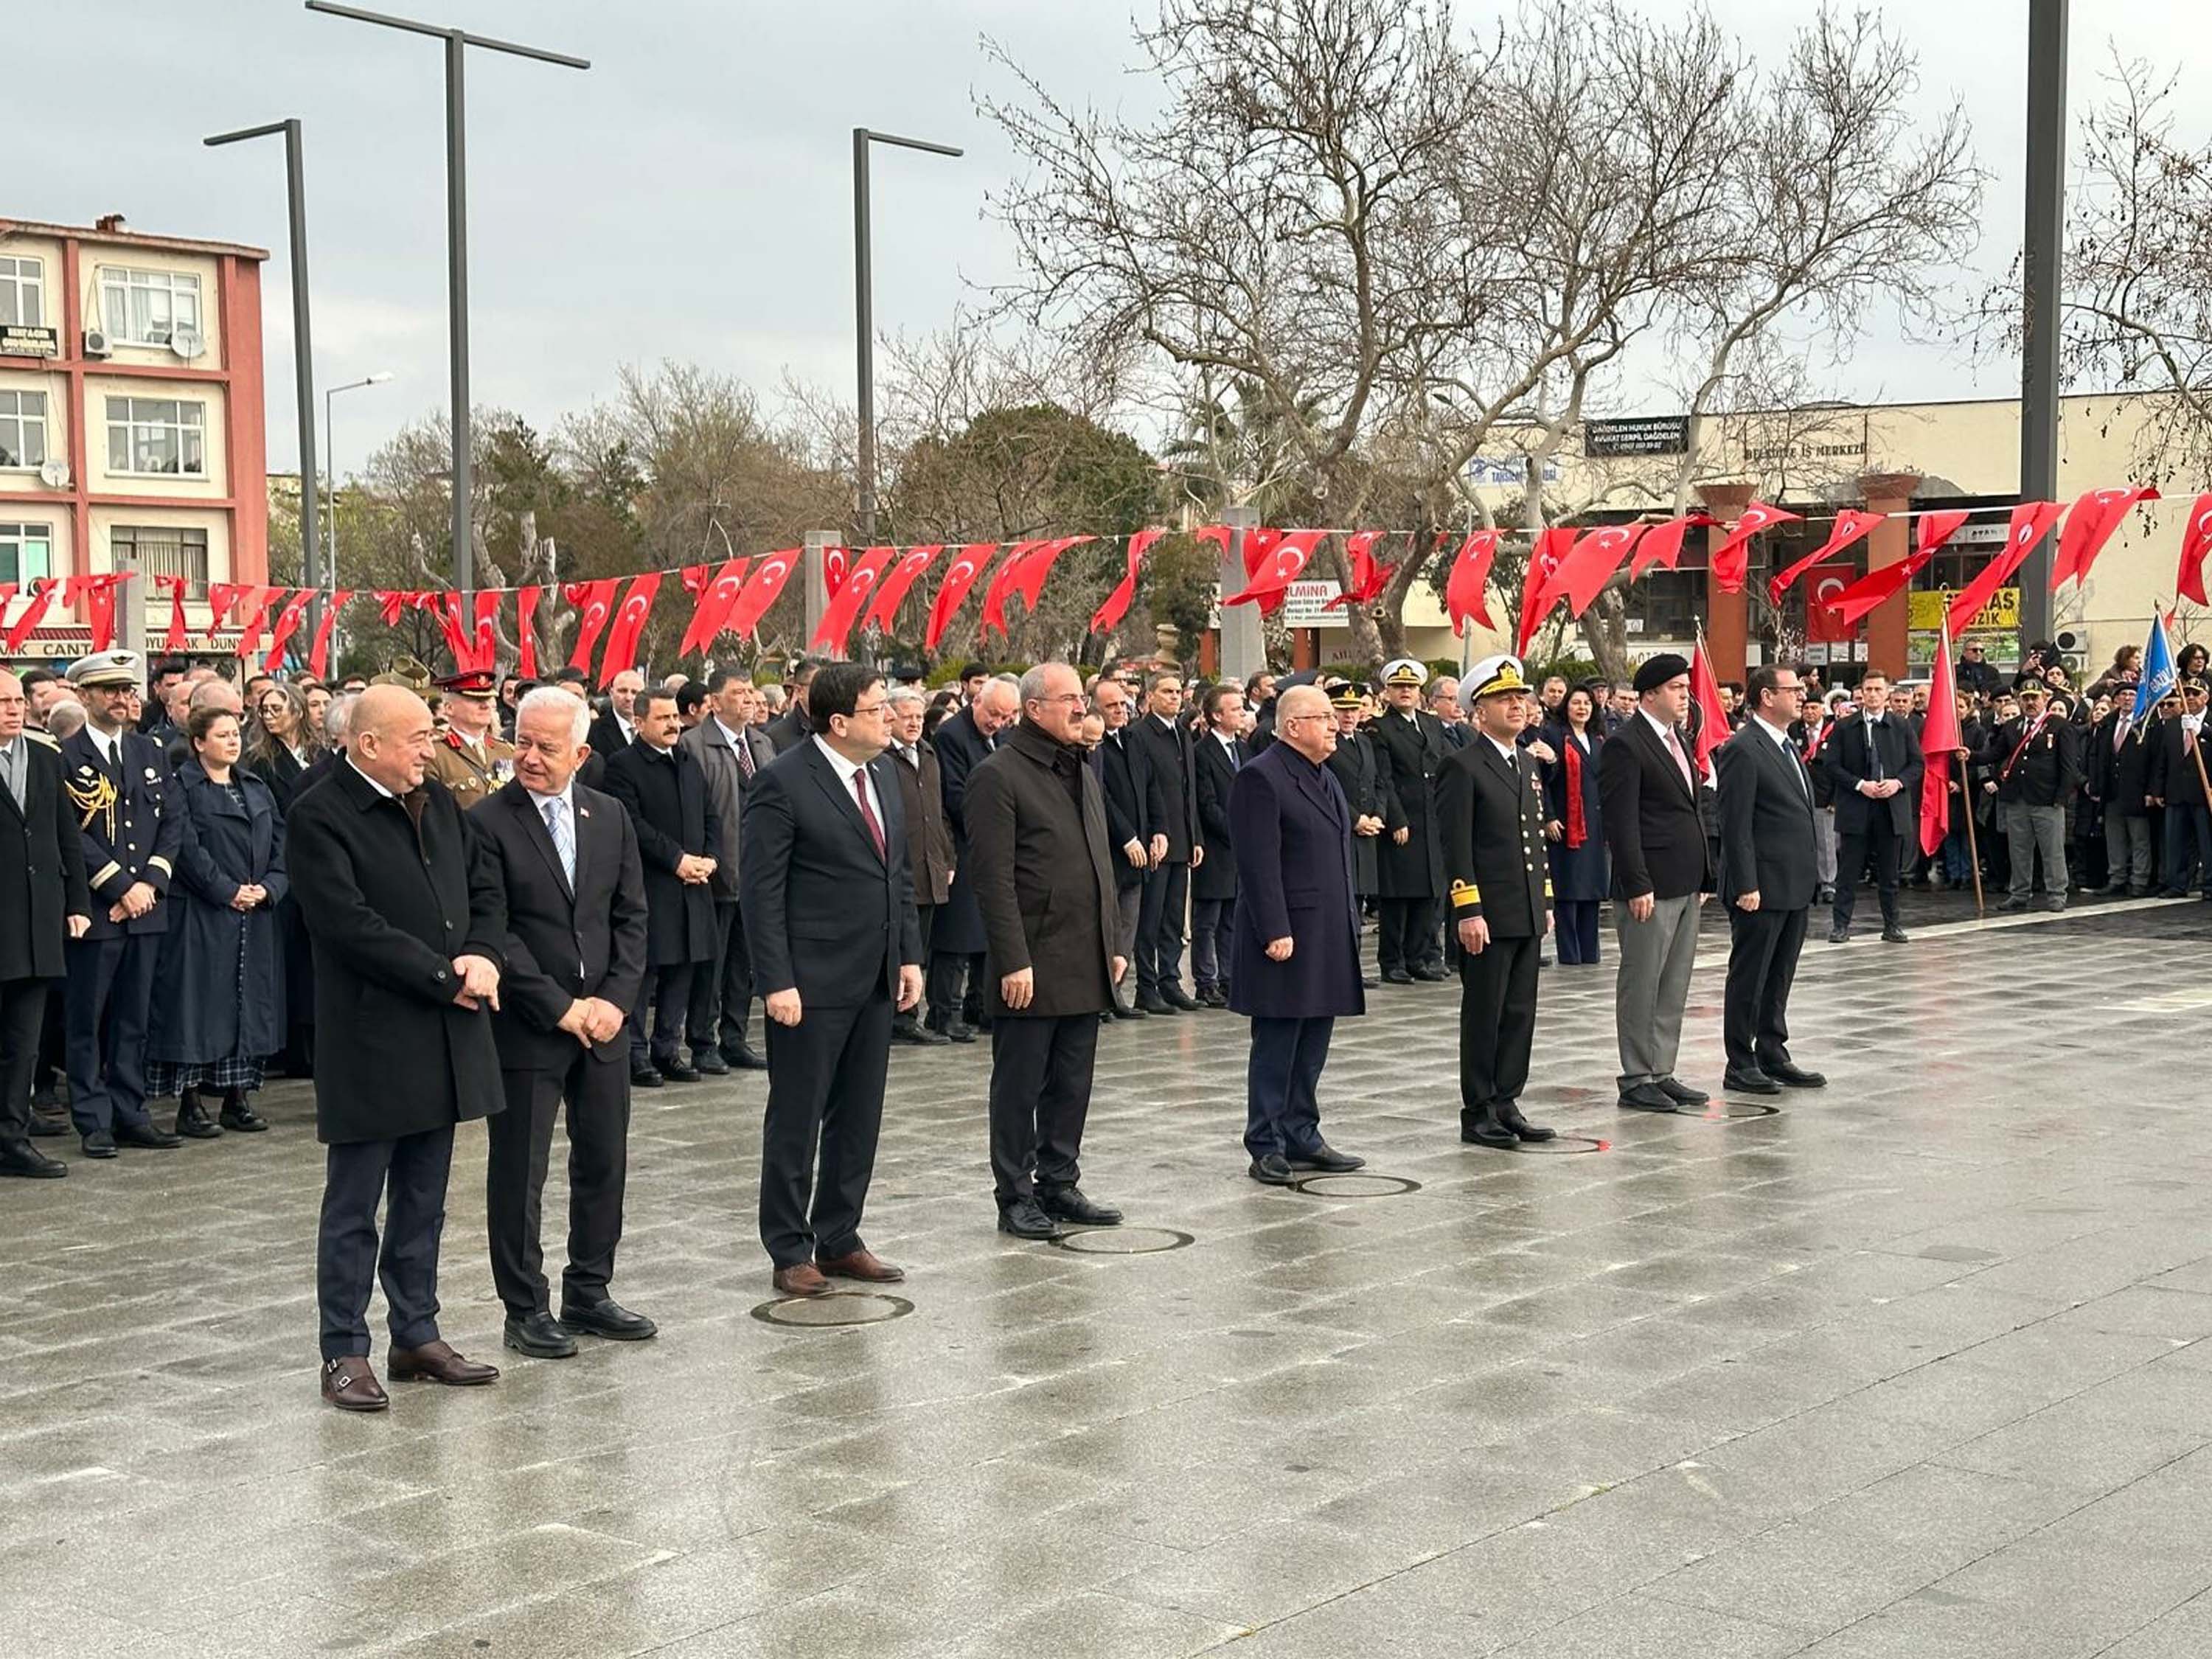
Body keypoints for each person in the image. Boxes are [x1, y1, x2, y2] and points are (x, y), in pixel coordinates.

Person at [289, 685, 507, 1411]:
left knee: (425, 1197)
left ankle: (417, 1331)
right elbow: (346, 925)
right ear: (370, 743)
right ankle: (343, 1350)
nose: (430, 746)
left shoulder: (439, 801)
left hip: (446, 1031)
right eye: (418, 736)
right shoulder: (320, 815)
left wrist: (480, 953)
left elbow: (484, 886)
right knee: (355, 1204)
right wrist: (444, 977)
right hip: (373, 1036)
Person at [476, 688, 655, 1360]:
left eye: (546, 748)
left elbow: (631, 916)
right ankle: (524, 1306)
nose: (529, 757)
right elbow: (495, 930)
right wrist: (560, 1006)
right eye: (521, 741)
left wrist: (614, 1000)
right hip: (531, 1026)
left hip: (605, 1024)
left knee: (604, 1157)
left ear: (581, 752)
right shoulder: (489, 822)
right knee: (520, 1170)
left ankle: (590, 1288)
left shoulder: (608, 815)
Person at [742, 663, 924, 1296]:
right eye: (879, 709)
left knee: (859, 1115)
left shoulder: (883, 776)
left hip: (874, 973)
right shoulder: (783, 783)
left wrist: (908, 954)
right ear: (840, 721)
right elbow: (761, 893)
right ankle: (790, 1246)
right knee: (798, 1116)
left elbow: (894, 873)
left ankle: (840, 1235)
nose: (893, 718)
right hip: (809, 982)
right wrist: (776, 981)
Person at [966, 663, 1125, 1238]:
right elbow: (993, 879)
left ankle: (1059, 1181)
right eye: (1070, 701)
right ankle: (1015, 1193)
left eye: (1082, 699)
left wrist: (1114, 941)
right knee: (1020, 1085)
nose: (1082, 709)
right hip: (1031, 959)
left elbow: (1098, 862)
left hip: (1084, 954)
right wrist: (1013, 959)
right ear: (1034, 710)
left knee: (1072, 1080)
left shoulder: (1080, 766)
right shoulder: (998, 775)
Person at [1225, 684, 1368, 1183]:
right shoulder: (1261, 778)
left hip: (1326, 929)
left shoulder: (1324, 774)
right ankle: (1266, 1141)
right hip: (1287, 933)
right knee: (1279, 1041)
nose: (1334, 725)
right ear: (1292, 726)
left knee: (1313, 1040)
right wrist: (1275, 929)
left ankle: (1303, 1132)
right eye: (1323, 717)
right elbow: (1258, 863)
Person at [59, 650, 186, 1159]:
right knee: (88, 1018)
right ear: (84, 695)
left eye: (126, 690)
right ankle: (92, 1119)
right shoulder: (64, 757)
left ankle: (130, 1111)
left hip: (147, 909)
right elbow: (70, 834)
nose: (121, 699)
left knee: (136, 1018)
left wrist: (149, 885)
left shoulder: (150, 752)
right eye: (109, 690)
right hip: (96, 910)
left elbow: (172, 822)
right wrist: (119, 888)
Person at [143, 706, 287, 1139]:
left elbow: (283, 844)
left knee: (246, 1002)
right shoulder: (183, 787)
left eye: (235, 734)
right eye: (221, 735)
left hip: (254, 913)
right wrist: (226, 890)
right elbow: (184, 847)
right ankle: (190, 1102)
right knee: (196, 1006)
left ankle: (236, 1097)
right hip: (202, 913)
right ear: (199, 742)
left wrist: (271, 887)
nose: (232, 741)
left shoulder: (256, 788)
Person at [1438, 662, 1557, 1149]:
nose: (1517, 705)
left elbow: (1533, 840)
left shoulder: (1526, 763)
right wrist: (1468, 910)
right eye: (1504, 699)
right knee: (1485, 1013)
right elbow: (1457, 846)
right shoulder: (1463, 766)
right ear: (1479, 712)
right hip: (1487, 913)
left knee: (1519, 1012)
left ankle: (1507, 1100)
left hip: (1523, 908)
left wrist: (1545, 899)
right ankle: (1479, 1109)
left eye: (1521, 698)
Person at [1593, 655, 1711, 1112]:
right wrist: (1635, 881)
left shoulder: (1677, 738)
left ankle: (1662, 1068)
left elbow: (1690, 809)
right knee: (1642, 981)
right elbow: (1622, 822)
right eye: (1677, 688)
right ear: (1649, 695)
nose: (1685, 695)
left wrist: (1705, 873)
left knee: (1674, 981)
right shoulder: (1627, 744)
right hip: (1650, 885)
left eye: (1685, 687)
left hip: (1684, 880)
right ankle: (1637, 1074)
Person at [1715, 665, 1825, 1097]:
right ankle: (1740, 1061)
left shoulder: (1785, 744)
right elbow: (1736, 823)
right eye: (1792, 689)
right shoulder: (1744, 748)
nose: (1801, 696)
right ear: (1765, 697)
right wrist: (1746, 884)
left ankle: (1772, 1050)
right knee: (1751, 974)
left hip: (1792, 883)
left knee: (1780, 973)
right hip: (1759, 886)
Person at [602, 689, 718, 1085]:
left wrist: (711, 858)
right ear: (639, 723)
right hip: (653, 885)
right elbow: (632, 824)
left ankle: (667, 1048)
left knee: (683, 970)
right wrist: (677, 860)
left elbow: (710, 814)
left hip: (695, 885)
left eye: (674, 717)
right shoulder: (623, 766)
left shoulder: (688, 762)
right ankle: (634, 1053)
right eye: (663, 718)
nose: (673, 724)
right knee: (646, 972)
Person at [0, 670, 89, 1178]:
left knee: (23, 1042)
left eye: (18, 700)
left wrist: (77, 902)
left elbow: (66, 837)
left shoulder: (45, 757)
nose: (14, 709)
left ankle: (12, 1138)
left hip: (37, 921)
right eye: (3, 701)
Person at [677, 668, 776, 1072]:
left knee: (743, 964)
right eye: (738, 692)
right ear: (715, 702)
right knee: (710, 966)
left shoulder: (762, 744)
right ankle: (702, 1040)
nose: (749, 699)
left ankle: (735, 1038)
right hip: (714, 873)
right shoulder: (694, 744)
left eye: (751, 691)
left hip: (757, 873)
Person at [928, 675, 1017, 1040]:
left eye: (1006, 718)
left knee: (985, 933)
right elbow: (955, 795)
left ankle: (979, 1005)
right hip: (964, 845)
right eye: (993, 714)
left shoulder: (998, 738)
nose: (997, 723)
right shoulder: (953, 736)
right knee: (956, 936)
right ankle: (943, 1011)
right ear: (976, 700)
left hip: (991, 849)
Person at [1826, 669, 1922, 945]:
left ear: (1887, 694)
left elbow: (1917, 764)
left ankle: (1892, 924)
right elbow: (1832, 766)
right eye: (1867, 690)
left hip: (1890, 807)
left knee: (1889, 873)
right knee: (1849, 871)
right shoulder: (1845, 726)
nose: (1872, 695)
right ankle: (1841, 925)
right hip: (1857, 806)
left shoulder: (1901, 726)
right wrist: (1859, 785)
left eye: (1878, 690)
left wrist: (1898, 783)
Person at [883, 686, 956, 1048]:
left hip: (931, 864)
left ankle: (909, 1014)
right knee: (898, 944)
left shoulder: (927, 752)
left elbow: (938, 811)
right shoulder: (882, 758)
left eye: (918, 717)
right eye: (906, 717)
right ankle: (896, 1016)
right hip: (899, 867)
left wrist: (948, 857)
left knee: (920, 944)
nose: (913, 723)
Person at [1369, 658, 1449, 984]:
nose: (1406, 692)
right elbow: (1384, 779)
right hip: (1403, 819)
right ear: (1387, 692)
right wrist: (1396, 819)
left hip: (1432, 817)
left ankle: (1419, 957)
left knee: (1428, 893)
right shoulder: (1380, 728)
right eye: (1399, 687)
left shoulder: (1430, 724)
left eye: (1411, 687)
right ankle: (1392, 960)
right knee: (1399, 895)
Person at [1133, 669, 1204, 1012]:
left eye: (1178, 692)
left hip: (1182, 839)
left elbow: (1189, 792)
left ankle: (1170, 979)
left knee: (1175, 917)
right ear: (1150, 697)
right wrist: (1148, 836)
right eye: (1167, 692)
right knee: (1152, 916)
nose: (1175, 697)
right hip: (1155, 843)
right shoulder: (1140, 736)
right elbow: (1142, 791)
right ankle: (1146, 985)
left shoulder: (1182, 734)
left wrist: (1195, 837)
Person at [1092, 675, 1156, 1021]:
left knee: (1128, 925)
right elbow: (1102, 797)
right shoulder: (1093, 745)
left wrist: (1158, 829)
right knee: (1105, 923)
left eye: (1122, 704)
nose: (1120, 710)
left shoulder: (1134, 740)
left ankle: (1117, 993)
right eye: (1111, 706)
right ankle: (1099, 995)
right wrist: (1127, 837)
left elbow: (1151, 786)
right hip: (1112, 848)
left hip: (1140, 850)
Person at [1322, 679, 1394, 987]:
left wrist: (1379, 814)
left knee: (1359, 904)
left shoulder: (1364, 742)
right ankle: (1336, 969)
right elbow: (1327, 785)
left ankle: (1352, 967)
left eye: (1353, 709)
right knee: (1340, 904)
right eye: (1342, 710)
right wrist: (1355, 819)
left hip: (1367, 833)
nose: (1349, 716)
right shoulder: (1326, 744)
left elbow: (1378, 781)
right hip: (1342, 831)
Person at [1540, 684, 1609, 965]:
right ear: (1566, 706)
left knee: (1591, 888)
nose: (1582, 708)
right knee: (1568, 888)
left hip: (1594, 822)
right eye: (1576, 703)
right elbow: (1544, 780)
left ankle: (1590, 951)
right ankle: (1570, 953)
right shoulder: (1554, 735)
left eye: (1587, 704)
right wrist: (1549, 816)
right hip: (1566, 821)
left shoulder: (1598, 738)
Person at [1189, 682, 1245, 1007]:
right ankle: (1205, 981)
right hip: (1216, 847)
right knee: (1207, 920)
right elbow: (1207, 803)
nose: (1241, 714)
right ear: (1215, 715)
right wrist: (1237, 830)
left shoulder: (1243, 749)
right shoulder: (1202, 752)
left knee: (1231, 919)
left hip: (1239, 850)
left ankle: (1229, 977)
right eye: (1235, 709)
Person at [2147, 678, 2210, 900]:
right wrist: (2157, 790)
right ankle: (2177, 883)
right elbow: (2162, 760)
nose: (2191, 697)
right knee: (2175, 842)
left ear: (2206, 698)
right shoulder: (2174, 724)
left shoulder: (2209, 723)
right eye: (2188, 693)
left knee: (2207, 841)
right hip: (2176, 792)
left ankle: (2209, 885)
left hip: (2204, 793)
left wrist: (2203, 730)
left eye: (2196, 694)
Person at [2091, 689, 2157, 896]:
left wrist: (2151, 790)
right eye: (2123, 695)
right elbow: (2096, 755)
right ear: (2116, 700)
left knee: (2139, 839)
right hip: (2112, 791)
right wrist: (2096, 785)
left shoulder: (2147, 723)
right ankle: (2117, 877)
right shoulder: (2108, 723)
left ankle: (2139, 879)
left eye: (2132, 695)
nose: (2128, 699)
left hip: (2137, 790)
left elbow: (2156, 760)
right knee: (2115, 837)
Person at [426, 670, 516, 812]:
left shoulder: (506, 751)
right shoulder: (434, 755)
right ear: (449, 708)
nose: (485, 706)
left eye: (487, 699)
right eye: (476, 700)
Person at [764, 658, 821, 754]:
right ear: (799, 691)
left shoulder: (839, 729)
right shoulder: (775, 738)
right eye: (820, 685)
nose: (828, 690)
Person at [588, 669, 643, 758]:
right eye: (623, 691)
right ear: (611, 693)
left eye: (635, 692)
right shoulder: (595, 731)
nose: (628, 698)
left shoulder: (652, 729)